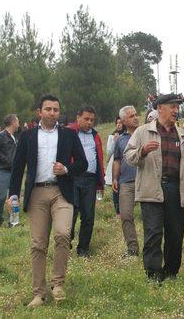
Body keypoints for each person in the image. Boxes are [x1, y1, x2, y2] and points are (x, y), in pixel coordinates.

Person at [7, 94, 87, 307]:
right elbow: (17, 168)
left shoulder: (69, 135)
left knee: (62, 234)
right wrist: (12, 195)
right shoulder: (28, 136)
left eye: (56, 110)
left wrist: (67, 169)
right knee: (38, 244)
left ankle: (58, 284)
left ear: (59, 113)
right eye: (48, 109)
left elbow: (83, 163)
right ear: (39, 112)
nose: (52, 113)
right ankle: (38, 294)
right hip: (37, 194)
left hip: (62, 192)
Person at [124, 93, 184, 282]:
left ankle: (171, 272)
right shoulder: (142, 132)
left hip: (175, 189)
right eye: (172, 106)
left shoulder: (182, 135)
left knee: (175, 233)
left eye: (177, 107)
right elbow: (128, 156)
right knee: (153, 232)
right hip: (151, 188)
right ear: (160, 108)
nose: (176, 110)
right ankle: (153, 273)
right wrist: (142, 151)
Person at [67, 105, 105, 257]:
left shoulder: (95, 136)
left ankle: (83, 249)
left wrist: (100, 180)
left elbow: (99, 157)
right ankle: (65, 242)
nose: (89, 122)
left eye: (92, 120)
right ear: (78, 117)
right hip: (72, 178)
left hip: (90, 179)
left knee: (88, 216)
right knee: (71, 212)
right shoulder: (69, 132)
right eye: (86, 119)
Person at [113, 105, 140, 256]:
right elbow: (117, 160)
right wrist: (115, 178)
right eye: (131, 116)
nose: (135, 117)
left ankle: (152, 247)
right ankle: (132, 249)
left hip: (145, 180)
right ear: (123, 120)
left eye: (136, 114)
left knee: (151, 216)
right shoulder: (120, 140)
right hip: (126, 182)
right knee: (126, 215)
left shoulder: (146, 134)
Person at [0, 114, 19, 227]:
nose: (19, 124)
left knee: (14, 197)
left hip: (14, 171)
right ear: (13, 122)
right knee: (2, 196)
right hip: (3, 170)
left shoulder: (14, 138)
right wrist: (6, 160)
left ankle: (14, 221)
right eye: (18, 122)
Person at [105, 116, 124, 218]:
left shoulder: (127, 136)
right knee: (115, 187)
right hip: (114, 163)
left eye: (120, 123)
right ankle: (118, 211)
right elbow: (109, 151)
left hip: (124, 164)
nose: (118, 124)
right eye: (117, 123)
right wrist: (115, 141)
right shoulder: (111, 136)